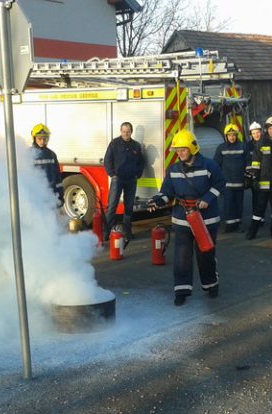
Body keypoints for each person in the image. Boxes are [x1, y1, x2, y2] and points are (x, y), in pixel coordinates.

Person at [148, 129, 225, 306]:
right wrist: (158, 201)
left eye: (183, 149)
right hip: (182, 220)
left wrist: (207, 199)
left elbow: (220, 184)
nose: (180, 153)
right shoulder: (173, 170)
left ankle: (211, 285)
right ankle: (181, 291)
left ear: (192, 148)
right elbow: (167, 192)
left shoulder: (209, 165)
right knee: (182, 257)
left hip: (206, 220)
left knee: (206, 254)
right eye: (177, 150)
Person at [104, 121, 145, 241]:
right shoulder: (114, 144)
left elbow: (141, 162)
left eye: (128, 132)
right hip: (118, 179)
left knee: (129, 207)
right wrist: (112, 174)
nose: (126, 134)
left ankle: (128, 232)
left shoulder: (136, 145)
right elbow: (107, 160)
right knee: (112, 206)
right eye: (123, 132)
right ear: (120, 131)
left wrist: (138, 173)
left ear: (131, 132)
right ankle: (106, 232)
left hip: (131, 180)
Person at [214, 124, 248, 233]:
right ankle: (229, 225)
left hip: (239, 182)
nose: (232, 137)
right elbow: (216, 165)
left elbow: (248, 162)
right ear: (226, 136)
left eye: (234, 135)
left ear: (237, 136)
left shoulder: (243, 146)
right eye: (229, 135)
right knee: (228, 205)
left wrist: (248, 177)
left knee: (239, 204)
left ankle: (237, 224)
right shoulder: (221, 148)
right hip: (227, 184)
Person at [30, 123, 64, 204]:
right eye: (39, 138)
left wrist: (60, 195)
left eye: (45, 139)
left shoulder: (52, 154)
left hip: (50, 196)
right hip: (35, 196)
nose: (42, 141)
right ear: (34, 138)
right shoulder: (28, 154)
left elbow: (57, 177)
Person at [245, 121, 264, 217]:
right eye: (253, 133)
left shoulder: (266, 143)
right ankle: (257, 217)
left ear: (261, 132)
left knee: (268, 198)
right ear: (251, 134)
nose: (256, 135)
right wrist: (249, 176)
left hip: (265, 175)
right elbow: (247, 161)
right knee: (256, 198)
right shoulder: (248, 146)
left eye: (257, 132)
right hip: (255, 176)